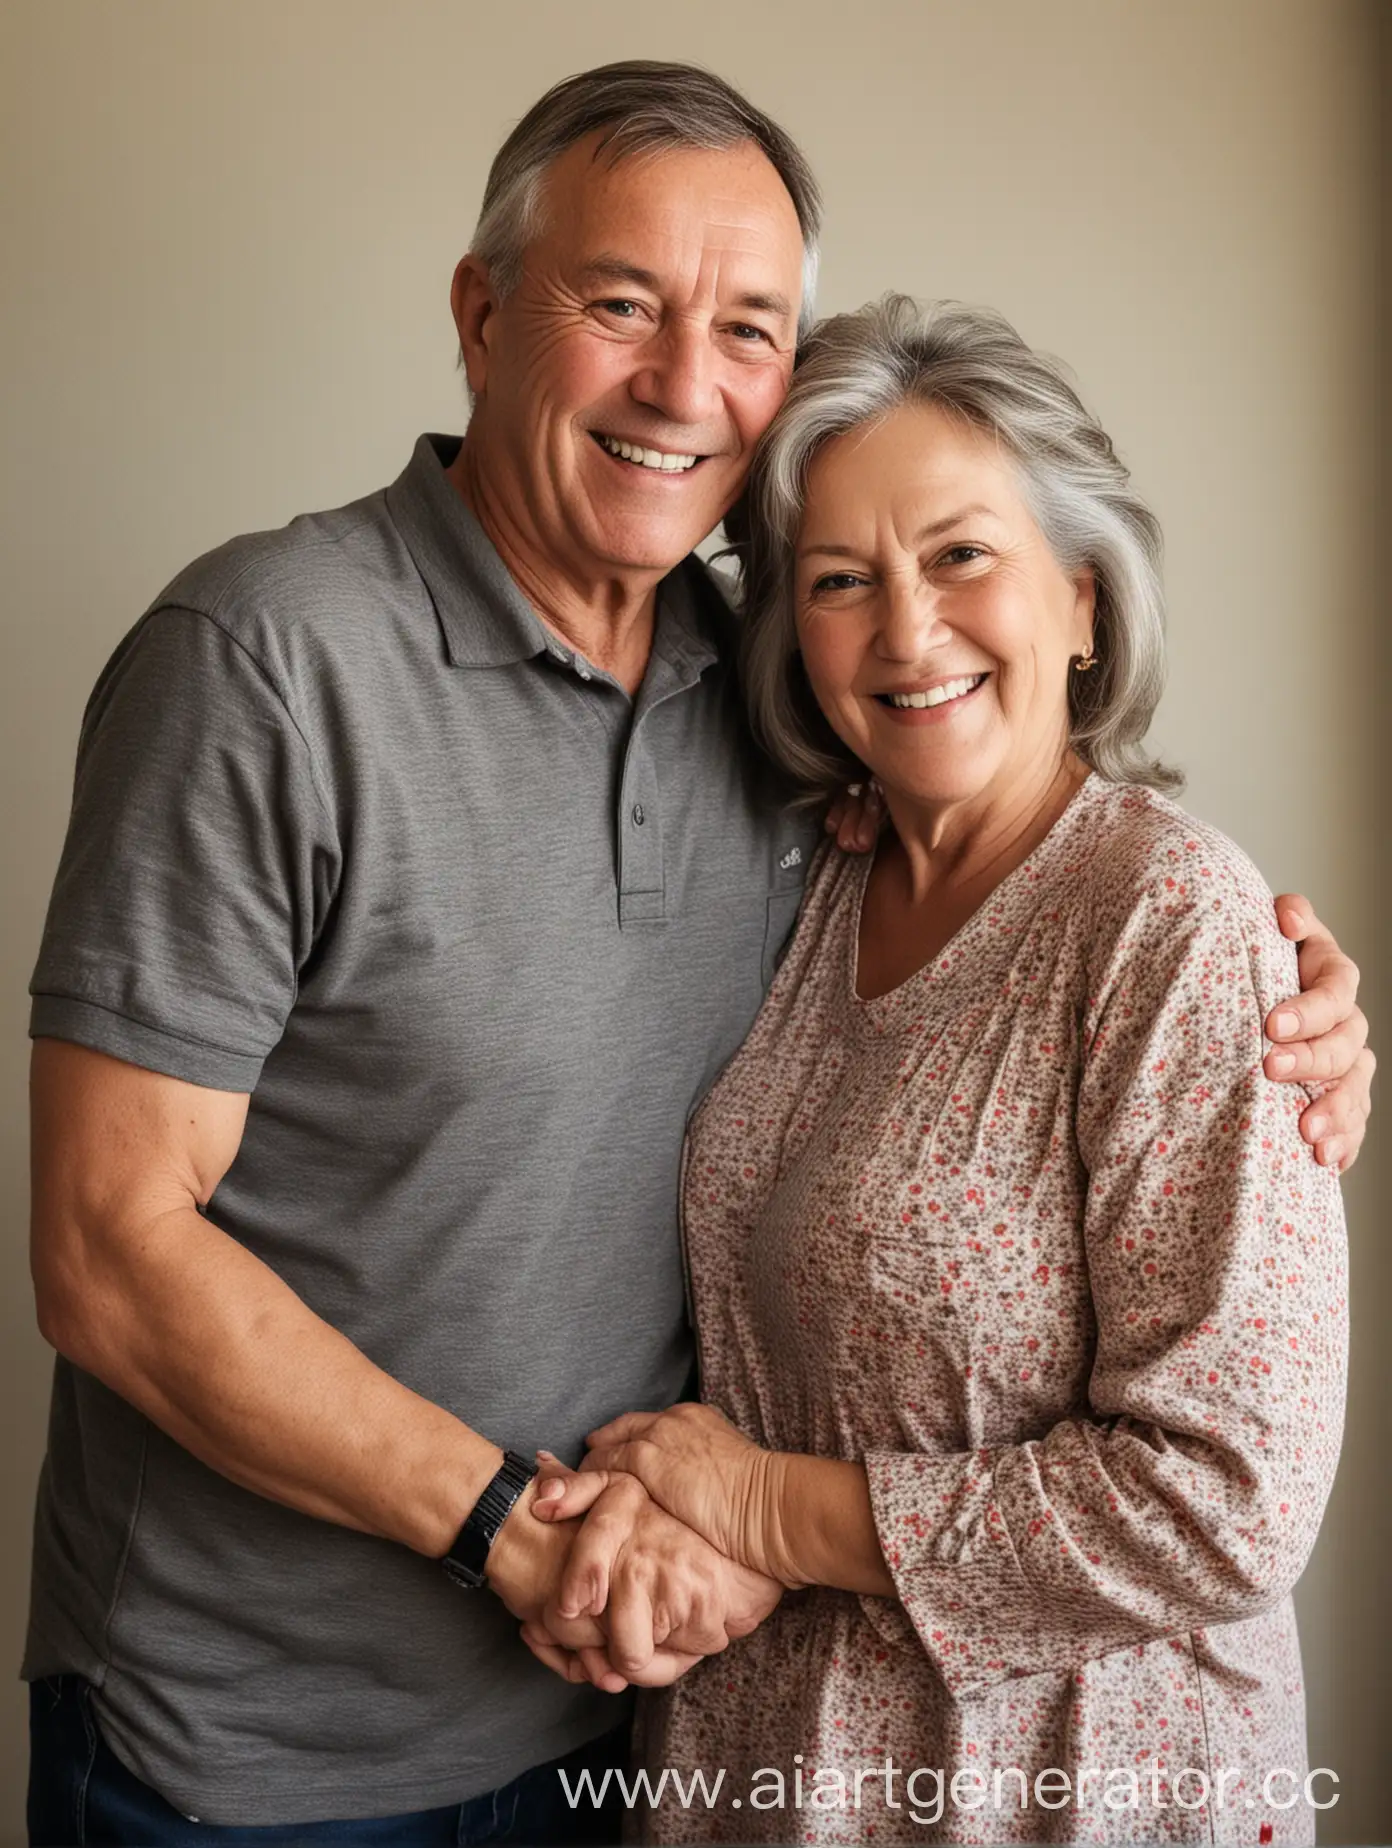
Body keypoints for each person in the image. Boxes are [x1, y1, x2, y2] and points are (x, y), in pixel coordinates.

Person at [24, 62, 1368, 1846]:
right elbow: (107, 1248)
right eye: (620, 305)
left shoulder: (780, 721)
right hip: (274, 1746)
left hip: (640, 1732)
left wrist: (1277, 1006)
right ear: (483, 312)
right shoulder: (268, 664)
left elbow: (1213, 1437)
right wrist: (522, 1526)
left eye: (747, 326)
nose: (683, 384)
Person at [528, 297, 1351, 1846]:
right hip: (759, 1762)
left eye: (963, 555)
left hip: (1050, 1783)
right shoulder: (808, 880)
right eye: (841, 583)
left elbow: (1226, 1499)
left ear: (1087, 600)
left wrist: (770, 1512)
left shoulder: (1167, 921)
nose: (906, 631)